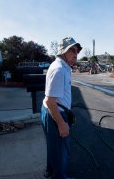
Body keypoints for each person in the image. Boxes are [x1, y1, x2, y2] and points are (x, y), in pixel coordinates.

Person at [41, 37, 82, 179]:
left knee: (54, 148)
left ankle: (50, 172)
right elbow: (50, 101)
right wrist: (61, 123)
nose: (76, 53)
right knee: (60, 151)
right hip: (55, 113)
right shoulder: (59, 69)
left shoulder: (64, 67)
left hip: (53, 111)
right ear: (63, 51)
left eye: (77, 50)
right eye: (72, 49)